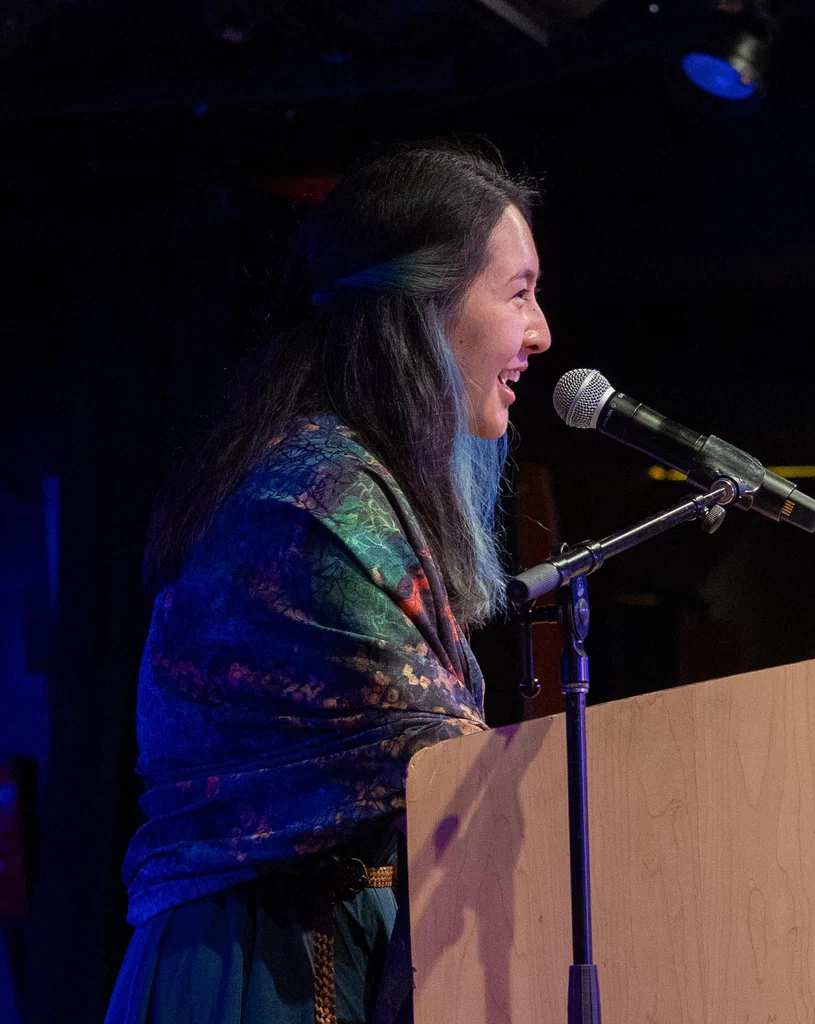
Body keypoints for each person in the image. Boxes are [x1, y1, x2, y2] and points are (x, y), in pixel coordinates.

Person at [104, 140, 552, 1024]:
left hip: (324, 941)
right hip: (258, 966)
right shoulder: (316, 507)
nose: (541, 331)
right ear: (427, 306)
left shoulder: (345, 479)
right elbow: (445, 764)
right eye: (520, 292)